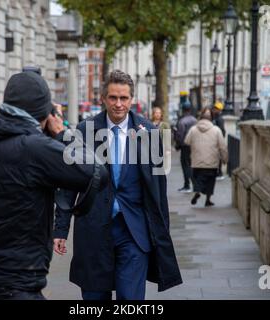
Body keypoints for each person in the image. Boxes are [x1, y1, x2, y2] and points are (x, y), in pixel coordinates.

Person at [0, 69, 108, 300]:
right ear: (44, 111)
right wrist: (61, 134)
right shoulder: (35, 148)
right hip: (19, 280)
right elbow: (96, 172)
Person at [53, 70, 182, 300]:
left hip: (134, 231)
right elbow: (68, 184)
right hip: (93, 231)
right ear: (103, 98)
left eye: (124, 98)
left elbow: (158, 191)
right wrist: (60, 229)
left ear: (132, 99)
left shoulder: (149, 133)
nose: (119, 104)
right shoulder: (84, 130)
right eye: (113, 98)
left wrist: (161, 233)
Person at [184, 108, 228, 207]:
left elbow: (186, 141)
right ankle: (208, 200)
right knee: (210, 181)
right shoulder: (216, 130)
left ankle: (198, 191)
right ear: (211, 118)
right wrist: (225, 159)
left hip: (197, 161)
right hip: (212, 162)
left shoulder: (193, 129)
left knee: (198, 178)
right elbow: (223, 147)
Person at [174, 101, 197, 193]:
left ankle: (188, 184)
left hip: (185, 146)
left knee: (185, 165)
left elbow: (180, 135)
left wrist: (178, 145)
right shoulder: (195, 120)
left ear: (183, 109)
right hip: (194, 145)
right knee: (192, 164)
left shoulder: (182, 121)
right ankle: (193, 184)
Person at [151, 106, 171, 173]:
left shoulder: (165, 125)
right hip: (152, 149)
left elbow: (167, 137)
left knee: (162, 167)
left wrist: (168, 149)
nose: (157, 114)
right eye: (156, 113)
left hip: (162, 148)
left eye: (159, 113)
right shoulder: (149, 124)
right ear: (153, 114)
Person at [212, 101, 226, 180]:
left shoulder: (219, 119)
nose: (214, 110)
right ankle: (218, 172)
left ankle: (219, 173)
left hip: (218, 141)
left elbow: (222, 131)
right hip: (216, 140)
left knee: (218, 157)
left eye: (215, 108)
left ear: (219, 110)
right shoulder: (216, 118)